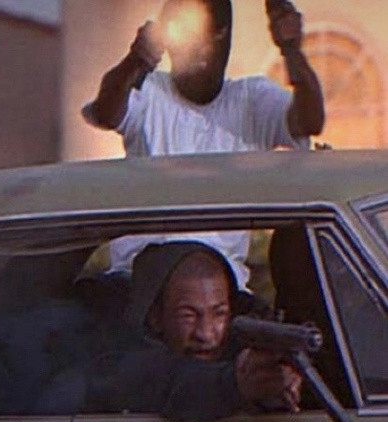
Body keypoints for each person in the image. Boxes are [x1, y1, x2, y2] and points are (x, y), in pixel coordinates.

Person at [82, 0, 325, 288]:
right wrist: (135, 61)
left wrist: (292, 51)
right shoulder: (149, 91)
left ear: (223, 35)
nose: (191, 49)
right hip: (138, 285)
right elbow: (105, 112)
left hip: (222, 292)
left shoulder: (252, 101)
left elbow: (310, 121)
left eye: (200, 34)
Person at [38, 242, 302, 420]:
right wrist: (235, 383)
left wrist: (279, 386)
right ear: (156, 318)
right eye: (188, 315)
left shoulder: (238, 344)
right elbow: (167, 381)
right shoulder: (116, 357)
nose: (206, 334)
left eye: (219, 313)